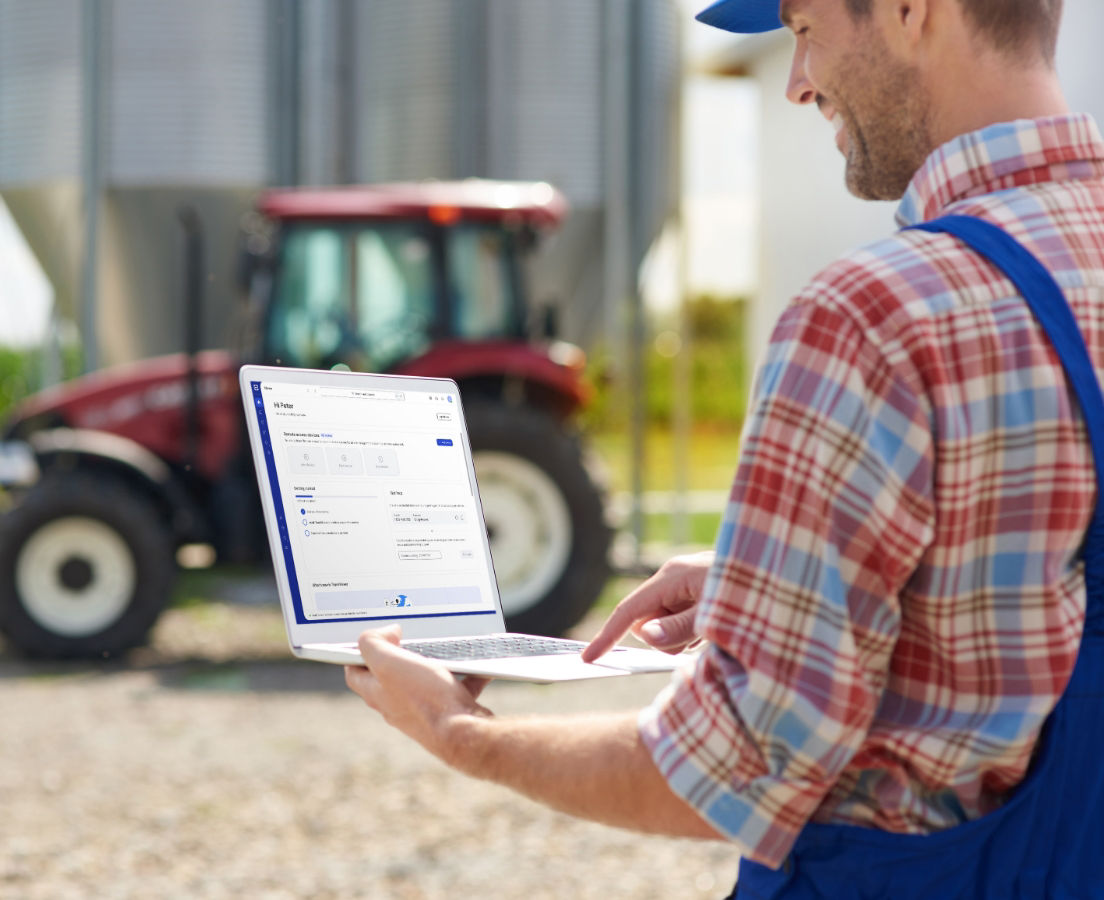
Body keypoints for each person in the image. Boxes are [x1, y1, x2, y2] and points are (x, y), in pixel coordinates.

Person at [346, 0, 1104, 895]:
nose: (794, 83)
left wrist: (460, 735)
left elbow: (736, 769)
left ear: (911, 10)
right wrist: (791, 577)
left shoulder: (873, 320)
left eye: (805, 27)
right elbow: (1041, 567)